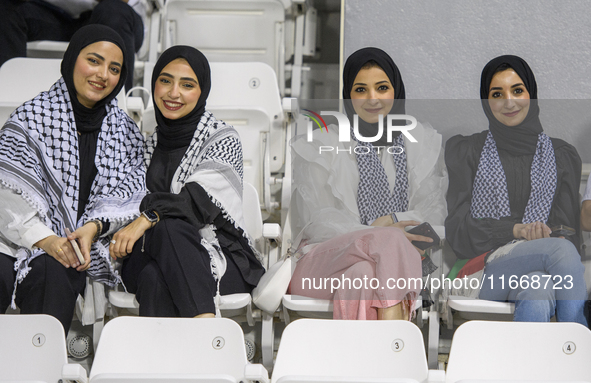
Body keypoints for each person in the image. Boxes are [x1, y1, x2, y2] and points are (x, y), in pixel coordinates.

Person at [0, 25, 146, 333]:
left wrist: (91, 229)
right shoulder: (29, 118)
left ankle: (40, 372)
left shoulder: (124, 132)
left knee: (54, 270)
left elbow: (131, 195)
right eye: (93, 60)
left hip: (87, 246)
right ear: (71, 60)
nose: (102, 74)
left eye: (114, 68)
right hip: (16, 237)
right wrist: (47, 239)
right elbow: (6, 191)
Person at [289, 47, 448, 320]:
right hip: (322, 265)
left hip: (382, 270)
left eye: (382, 87)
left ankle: (369, 359)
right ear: (349, 96)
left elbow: (433, 215)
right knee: (388, 242)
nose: (372, 98)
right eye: (361, 89)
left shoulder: (420, 143)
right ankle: (397, 347)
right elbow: (320, 223)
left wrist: (388, 222)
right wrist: (378, 232)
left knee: (364, 274)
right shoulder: (322, 144)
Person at [111, 45, 264, 318]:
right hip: (146, 251)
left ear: (202, 91)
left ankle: (169, 354)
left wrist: (148, 217)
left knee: (156, 270)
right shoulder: (144, 145)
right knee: (162, 241)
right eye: (165, 81)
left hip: (220, 257)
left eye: (187, 84)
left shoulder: (222, 138)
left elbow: (197, 202)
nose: (173, 93)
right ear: (154, 84)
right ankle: (206, 338)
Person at [445, 55, 587, 325]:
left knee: (538, 289)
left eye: (517, 90)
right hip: (481, 270)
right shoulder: (468, 151)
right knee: (561, 253)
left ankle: (525, 366)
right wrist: (516, 231)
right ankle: (581, 351)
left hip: (540, 267)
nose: (509, 102)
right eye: (497, 94)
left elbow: (566, 231)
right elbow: (458, 232)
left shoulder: (561, 156)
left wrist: (545, 235)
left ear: (531, 95)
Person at [0, 0, 147, 91]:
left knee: (114, 11)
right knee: (5, 8)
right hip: (54, 13)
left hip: (114, 14)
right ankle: (11, 100)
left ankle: (115, 117)